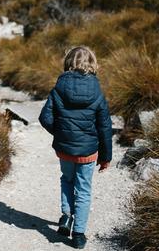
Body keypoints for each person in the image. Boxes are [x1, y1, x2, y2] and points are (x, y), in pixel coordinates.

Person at [38, 46, 113, 249]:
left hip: (65, 150)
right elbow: (105, 126)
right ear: (93, 64)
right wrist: (106, 157)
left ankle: (66, 216)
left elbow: (45, 118)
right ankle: (78, 234)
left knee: (67, 179)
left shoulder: (58, 88)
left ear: (68, 62)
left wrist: (62, 134)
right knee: (84, 189)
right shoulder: (97, 91)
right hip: (88, 152)